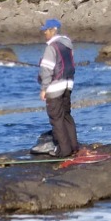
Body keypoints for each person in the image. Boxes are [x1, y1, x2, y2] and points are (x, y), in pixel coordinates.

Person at [38, 17, 84, 160]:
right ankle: (74, 146)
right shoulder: (68, 45)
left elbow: (46, 70)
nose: (44, 33)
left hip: (55, 87)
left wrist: (44, 89)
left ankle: (64, 151)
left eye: (46, 30)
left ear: (53, 30)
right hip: (68, 85)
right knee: (66, 116)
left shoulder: (51, 47)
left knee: (56, 119)